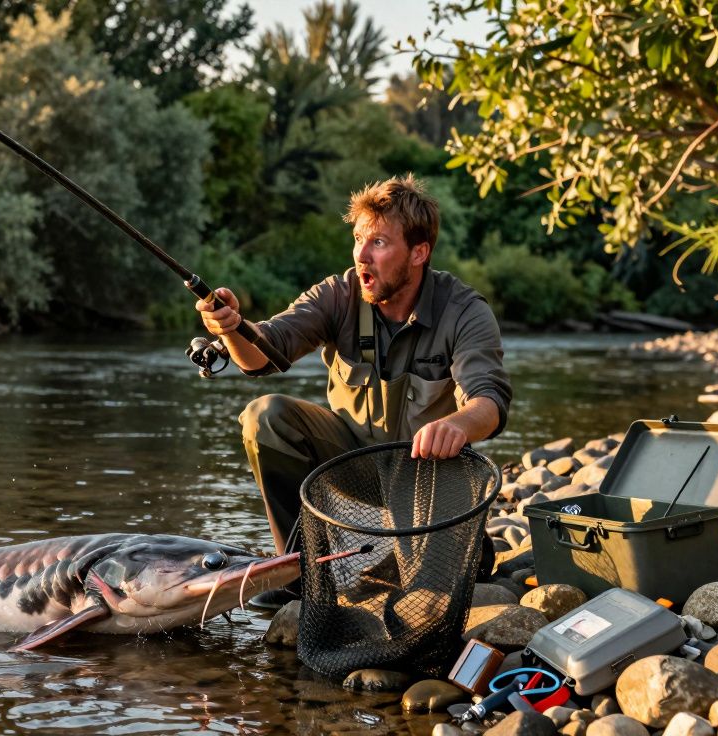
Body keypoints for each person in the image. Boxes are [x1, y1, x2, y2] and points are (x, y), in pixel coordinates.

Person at [195, 174, 512, 609]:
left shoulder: (465, 311)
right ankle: (298, 571)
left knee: (427, 592)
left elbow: (489, 401)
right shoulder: (339, 293)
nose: (362, 253)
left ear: (419, 252)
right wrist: (231, 328)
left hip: (427, 475)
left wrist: (457, 424)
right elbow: (263, 355)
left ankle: (466, 546)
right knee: (265, 416)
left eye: (379, 242)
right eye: (359, 238)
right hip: (350, 465)